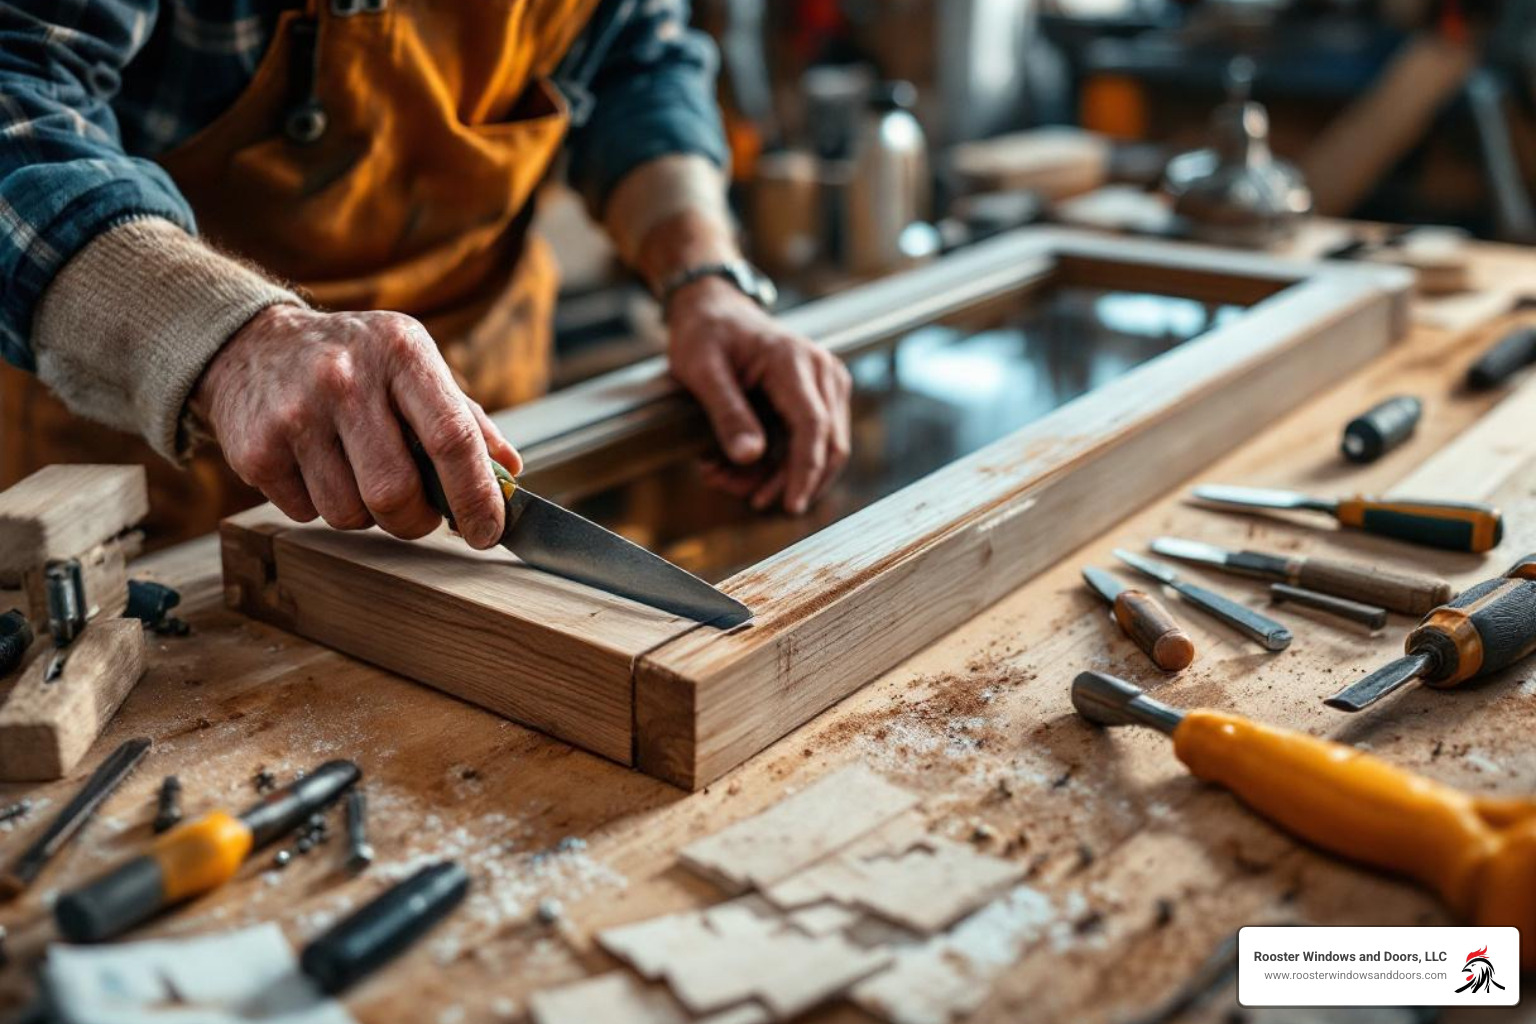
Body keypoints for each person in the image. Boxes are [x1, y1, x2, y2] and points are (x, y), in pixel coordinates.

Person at [0, 0, 851, 548]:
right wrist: (237, 344)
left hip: (489, 420)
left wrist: (705, 280)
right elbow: (15, 92)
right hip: (152, 456)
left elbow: (635, 58)